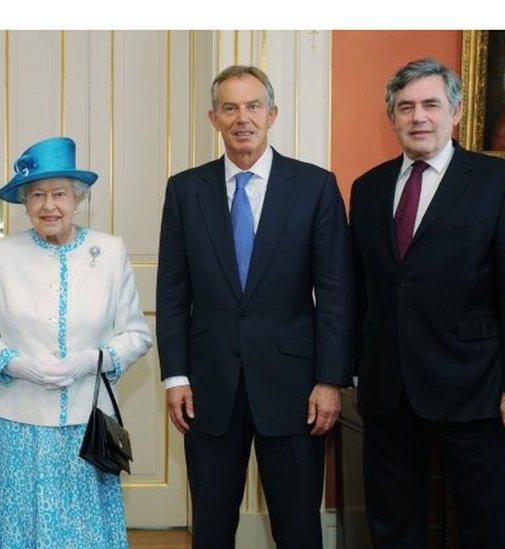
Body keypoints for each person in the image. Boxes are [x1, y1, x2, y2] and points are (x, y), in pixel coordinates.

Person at [156, 66, 352, 548]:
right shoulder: (185, 190)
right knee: (212, 524)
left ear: (272, 114)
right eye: (230, 108)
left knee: (298, 526)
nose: (242, 118)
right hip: (209, 386)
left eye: (253, 106)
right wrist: (175, 376)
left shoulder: (314, 186)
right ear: (214, 118)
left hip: (295, 388)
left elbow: (335, 293)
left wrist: (329, 380)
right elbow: (173, 291)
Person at [350, 57, 505, 549]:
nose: (419, 117)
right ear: (391, 116)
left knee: (482, 522)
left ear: (454, 113)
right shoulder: (367, 188)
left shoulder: (496, 182)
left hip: (473, 387)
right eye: (406, 107)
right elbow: (358, 289)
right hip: (388, 389)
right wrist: (346, 369)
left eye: (431, 104)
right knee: (392, 523)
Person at [0, 136, 153, 548]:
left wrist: (92, 360)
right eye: (37, 195)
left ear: (77, 198)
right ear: (25, 203)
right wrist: (17, 364)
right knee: (22, 529)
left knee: (85, 534)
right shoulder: (3, 256)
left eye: (59, 194)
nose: (49, 206)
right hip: (20, 423)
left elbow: (138, 335)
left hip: (88, 423)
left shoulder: (110, 250)